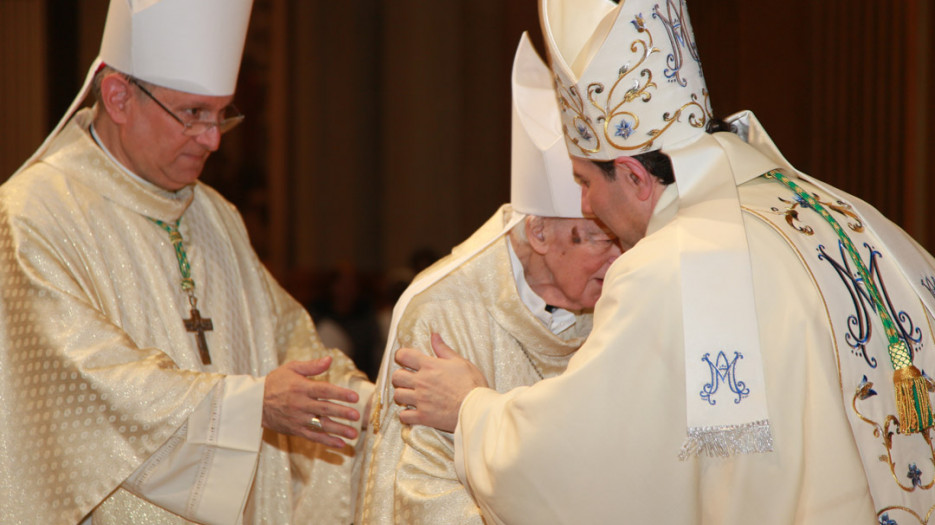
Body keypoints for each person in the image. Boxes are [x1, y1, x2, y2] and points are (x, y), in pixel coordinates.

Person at [391, 0, 935, 523]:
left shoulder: (670, 264)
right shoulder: (846, 211)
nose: (584, 205)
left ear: (633, 176)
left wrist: (469, 410)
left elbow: (587, 465)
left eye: (584, 181)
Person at [0, 1, 372, 523]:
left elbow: (288, 342)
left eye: (223, 115)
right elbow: (84, 386)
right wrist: (249, 407)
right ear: (119, 96)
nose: (214, 139)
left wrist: (370, 406)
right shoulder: (33, 215)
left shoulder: (216, 216)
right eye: (194, 113)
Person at [353, 33, 621, 524]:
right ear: (538, 231)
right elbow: (420, 492)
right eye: (601, 240)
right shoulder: (444, 312)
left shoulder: (622, 302)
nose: (620, 258)